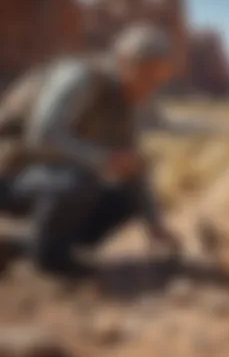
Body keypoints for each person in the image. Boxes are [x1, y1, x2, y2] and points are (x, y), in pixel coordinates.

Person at [0, 24, 181, 276]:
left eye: (157, 80)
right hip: (11, 174)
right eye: (147, 76)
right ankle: (47, 258)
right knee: (80, 182)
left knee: (125, 197)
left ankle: (24, 243)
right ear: (124, 62)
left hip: (48, 179)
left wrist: (155, 226)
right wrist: (105, 159)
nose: (150, 87)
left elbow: (133, 169)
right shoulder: (82, 77)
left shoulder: (125, 102)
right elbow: (41, 136)